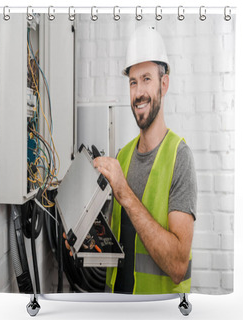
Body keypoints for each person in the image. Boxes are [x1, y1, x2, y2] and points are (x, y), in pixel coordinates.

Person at [93, 25, 197, 294]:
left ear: (164, 84)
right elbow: (120, 242)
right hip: (116, 308)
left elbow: (177, 266)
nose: (138, 92)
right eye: (133, 81)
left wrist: (124, 193)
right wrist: (85, 239)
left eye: (147, 79)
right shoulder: (123, 156)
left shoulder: (179, 158)